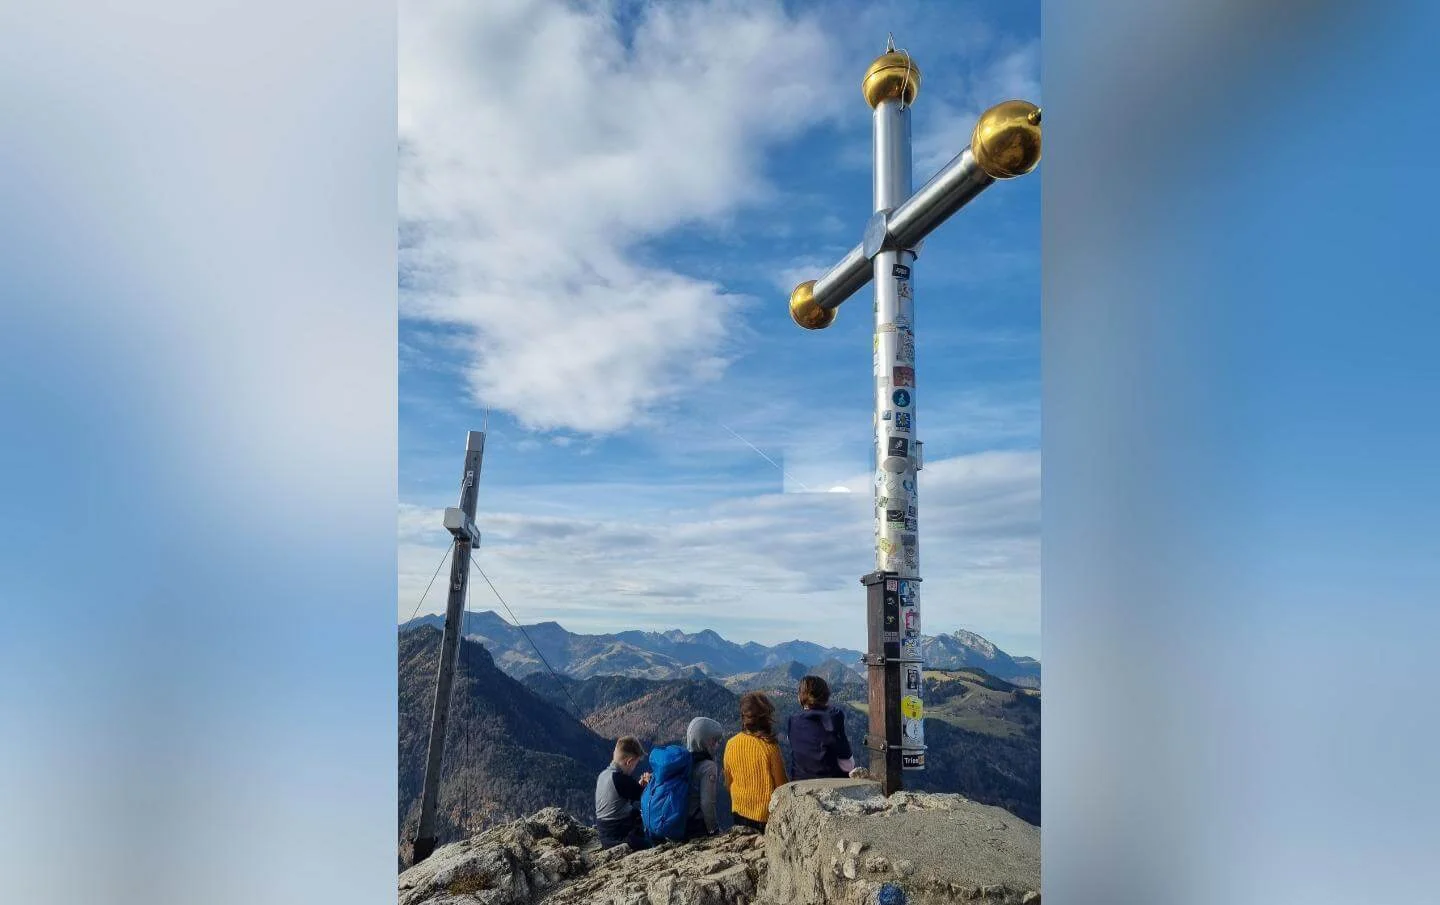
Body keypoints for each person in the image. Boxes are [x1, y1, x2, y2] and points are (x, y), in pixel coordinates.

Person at [722, 691, 787, 832]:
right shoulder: (769, 747)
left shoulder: (730, 744)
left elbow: (728, 782)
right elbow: (782, 787)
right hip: (764, 817)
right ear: (766, 718)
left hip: (738, 812)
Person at [786, 675, 857, 780]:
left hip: (799, 782)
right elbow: (847, 765)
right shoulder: (834, 717)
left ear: (800, 697)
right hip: (831, 783)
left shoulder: (793, 721)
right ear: (826, 696)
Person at [595, 736, 652, 849]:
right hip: (619, 834)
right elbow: (648, 797)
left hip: (605, 833)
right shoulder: (620, 779)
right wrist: (650, 783)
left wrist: (639, 786)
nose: (634, 768)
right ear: (629, 762)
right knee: (652, 838)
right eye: (635, 764)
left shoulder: (604, 775)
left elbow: (619, 801)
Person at [683, 717, 725, 839]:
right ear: (709, 741)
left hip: (679, 822)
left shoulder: (682, 761)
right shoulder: (708, 767)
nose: (717, 745)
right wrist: (714, 830)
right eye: (716, 741)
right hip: (695, 826)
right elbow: (707, 803)